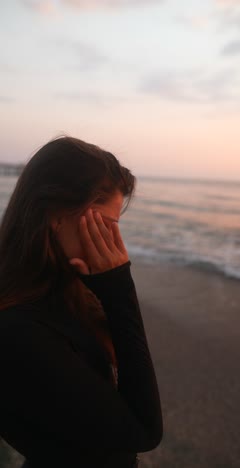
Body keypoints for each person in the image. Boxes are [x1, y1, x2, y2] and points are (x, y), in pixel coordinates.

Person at [0, 136, 163, 468]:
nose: (115, 242)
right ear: (56, 215)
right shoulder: (17, 330)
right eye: (106, 226)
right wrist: (121, 292)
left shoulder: (63, 292)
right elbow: (144, 431)